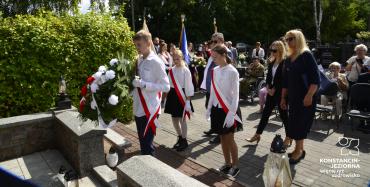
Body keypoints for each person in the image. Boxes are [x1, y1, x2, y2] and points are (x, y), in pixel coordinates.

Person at [280, 29, 320, 164]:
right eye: (287, 39)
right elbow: (285, 81)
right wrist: (283, 98)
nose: (288, 41)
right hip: (293, 98)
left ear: (299, 39)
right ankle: (299, 150)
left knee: (301, 124)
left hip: (305, 98)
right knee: (294, 123)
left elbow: (316, 79)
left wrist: (309, 96)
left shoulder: (306, 55)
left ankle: (299, 151)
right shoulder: (288, 58)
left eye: (291, 38)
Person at [206, 45, 243, 177]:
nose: (213, 59)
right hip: (217, 108)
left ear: (223, 55)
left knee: (229, 138)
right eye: (212, 57)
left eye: (215, 57)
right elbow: (213, 92)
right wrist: (209, 107)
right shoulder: (215, 70)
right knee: (222, 137)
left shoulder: (233, 71)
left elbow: (236, 95)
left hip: (229, 109)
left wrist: (231, 114)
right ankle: (227, 163)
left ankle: (235, 165)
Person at [132, 30, 170, 155]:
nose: (137, 48)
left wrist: (145, 85)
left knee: (147, 146)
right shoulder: (139, 60)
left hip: (150, 108)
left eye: (139, 45)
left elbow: (166, 86)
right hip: (139, 106)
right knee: (143, 144)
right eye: (135, 45)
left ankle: (151, 172)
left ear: (148, 43)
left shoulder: (156, 61)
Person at [246, 41, 290, 147]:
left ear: (280, 50)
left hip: (281, 93)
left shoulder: (285, 62)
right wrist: (268, 87)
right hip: (271, 92)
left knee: (284, 116)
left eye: (274, 50)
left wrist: (274, 88)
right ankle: (257, 134)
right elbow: (269, 77)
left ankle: (289, 137)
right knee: (265, 114)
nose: (272, 52)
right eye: (271, 50)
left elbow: (285, 80)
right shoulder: (271, 61)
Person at [201, 32, 232, 144]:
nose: (212, 43)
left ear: (221, 41)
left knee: (219, 110)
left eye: (214, 41)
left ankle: (220, 134)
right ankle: (214, 128)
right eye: (211, 41)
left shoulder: (226, 53)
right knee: (210, 107)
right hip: (211, 87)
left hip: (219, 89)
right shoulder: (213, 52)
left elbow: (227, 70)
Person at [164, 49, 194, 152]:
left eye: (178, 58)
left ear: (181, 58)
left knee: (182, 120)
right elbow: (168, 84)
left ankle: (184, 140)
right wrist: (165, 97)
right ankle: (180, 137)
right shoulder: (171, 70)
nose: (176, 61)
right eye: (174, 59)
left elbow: (189, 86)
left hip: (182, 96)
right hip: (173, 96)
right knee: (174, 119)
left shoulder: (185, 70)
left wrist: (188, 101)